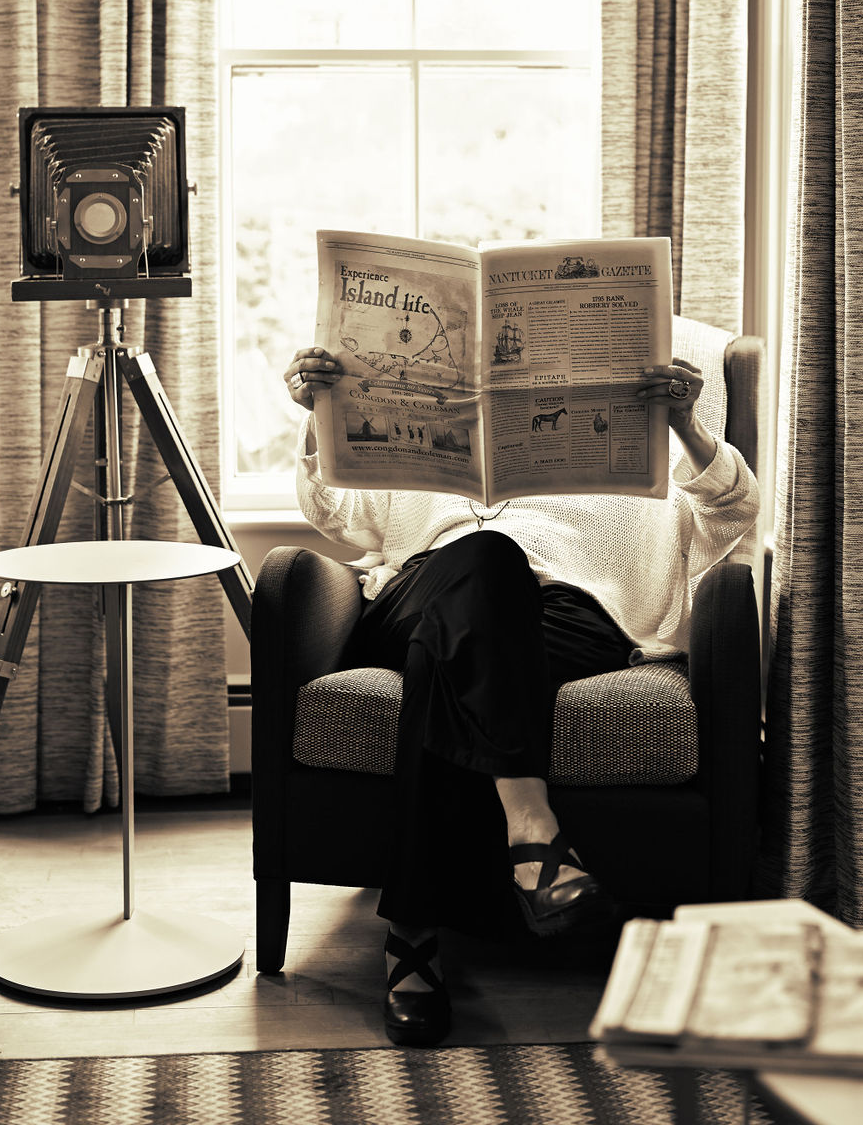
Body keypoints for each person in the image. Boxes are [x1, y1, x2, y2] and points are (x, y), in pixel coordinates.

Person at [282, 345, 759, 1047]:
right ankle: (531, 825)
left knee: (446, 658)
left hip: (572, 614)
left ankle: (413, 934)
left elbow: (735, 509)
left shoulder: (647, 417)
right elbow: (339, 516)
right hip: (424, 592)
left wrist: (684, 425)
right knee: (484, 555)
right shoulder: (423, 412)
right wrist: (321, 414)